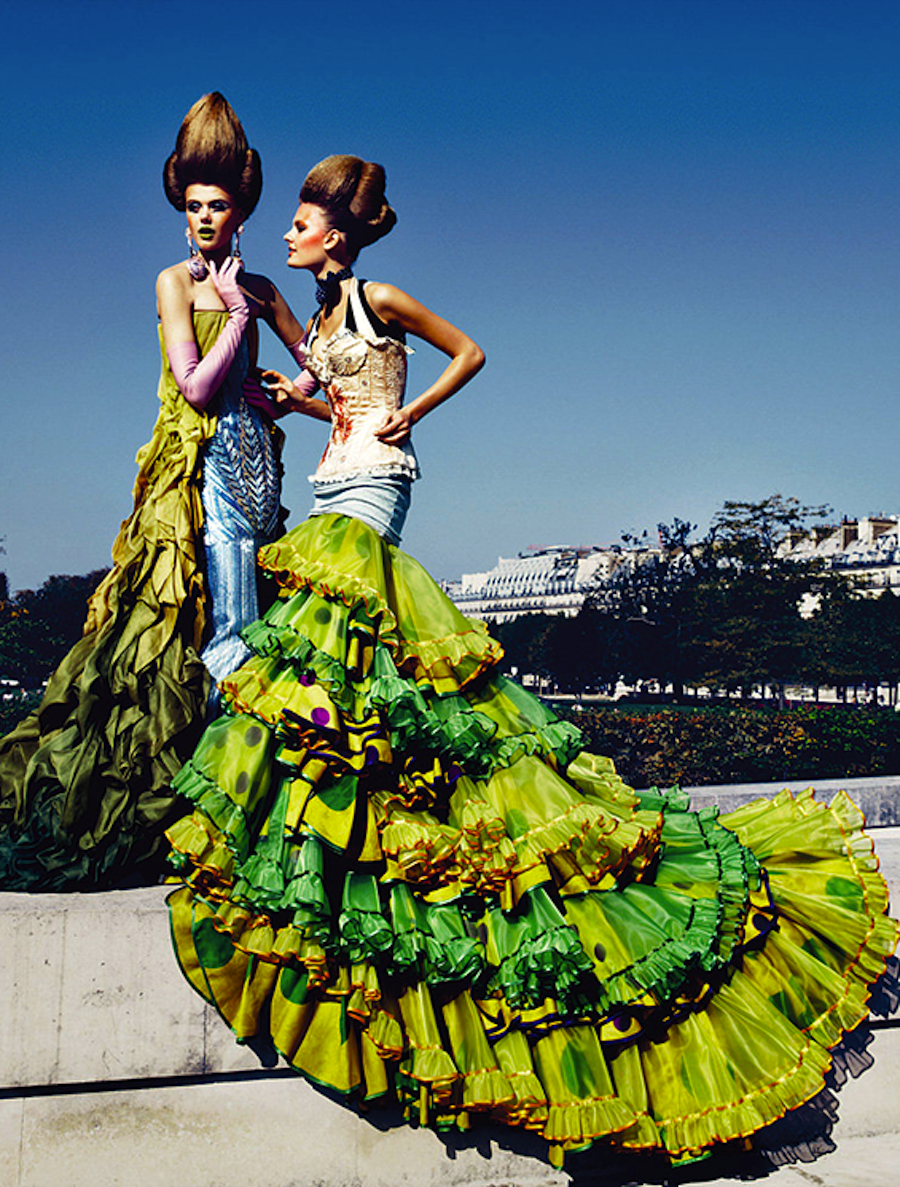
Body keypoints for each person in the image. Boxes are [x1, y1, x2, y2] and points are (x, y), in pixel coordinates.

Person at [165, 155, 897, 1169]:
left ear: (338, 233)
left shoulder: (378, 296)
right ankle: (361, 833)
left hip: (374, 485)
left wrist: (408, 417)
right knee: (346, 676)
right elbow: (319, 385)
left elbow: (469, 351)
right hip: (335, 473)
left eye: (299, 222)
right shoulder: (325, 314)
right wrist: (296, 394)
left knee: (338, 649)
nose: (288, 233)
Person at [0, 94, 327, 891]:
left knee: (253, 620)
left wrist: (289, 390)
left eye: (218, 205)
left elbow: (324, 362)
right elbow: (193, 385)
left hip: (258, 468)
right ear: (181, 215)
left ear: (239, 210)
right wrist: (243, 332)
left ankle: (244, 797)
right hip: (189, 478)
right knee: (196, 632)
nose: (206, 217)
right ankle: (203, 806)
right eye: (194, 207)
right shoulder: (174, 284)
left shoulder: (257, 287)